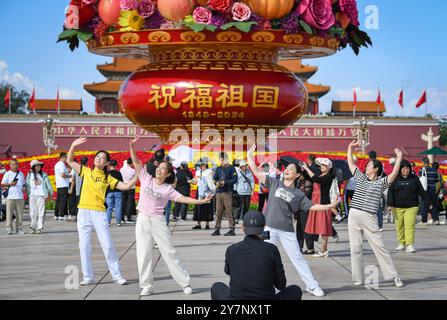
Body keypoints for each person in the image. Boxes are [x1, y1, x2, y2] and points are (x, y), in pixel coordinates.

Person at [247, 145, 339, 297]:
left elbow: (313, 206)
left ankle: (312, 285)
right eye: (286, 168)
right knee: (263, 257)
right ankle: (264, 286)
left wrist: (331, 205)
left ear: (297, 175)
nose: (287, 170)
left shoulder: (298, 194)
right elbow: (256, 171)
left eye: (291, 169)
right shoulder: (274, 183)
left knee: (297, 258)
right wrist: (250, 155)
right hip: (269, 229)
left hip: (286, 231)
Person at [129, 137, 213, 296]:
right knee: (143, 253)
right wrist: (132, 147)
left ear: (168, 174)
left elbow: (184, 198)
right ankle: (146, 285)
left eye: (163, 169)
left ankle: (185, 283)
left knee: (169, 252)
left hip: (157, 221)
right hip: (142, 219)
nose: (159, 169)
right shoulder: (146, 177)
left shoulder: (168, 189)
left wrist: (200, 201)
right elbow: (136, 162)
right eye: (158, 167)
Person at [67, 137, 140, 286]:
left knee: (107, 244)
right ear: (94, 160)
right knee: (84, 245)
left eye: (103, 158)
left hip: (99, 213)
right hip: (83, 211)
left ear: (107, 163)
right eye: (98, 157)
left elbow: (125, 187)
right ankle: (88, 276)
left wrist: (138, 175)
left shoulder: (108, 177)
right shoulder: (85, 171)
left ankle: (117, 275)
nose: (99, 159)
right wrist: (73, 145)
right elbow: (69, 160)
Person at [347, 140, 404, 288]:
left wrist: (398, 159)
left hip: (369, 216)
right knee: (355, 247)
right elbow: (351, 164)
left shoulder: (382, 182)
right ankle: (358, 278)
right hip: (354, 214)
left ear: (376, 169)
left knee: (379, 246)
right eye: (366, 165)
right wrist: (350, 148)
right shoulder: (360, 177)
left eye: (369, 166)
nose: (366, 167)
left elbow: (394, 173)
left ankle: (394, 276)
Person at [211, 211, 303, 300]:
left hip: (238, 299)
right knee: (295, 290)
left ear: (243, 227)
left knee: (217, 286)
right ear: (264, 228)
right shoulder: (271, 249)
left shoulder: (232, 249)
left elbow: (228, 271)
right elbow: (281, 284)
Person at [387, 160, 430, 253]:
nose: (405, 170)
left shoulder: (414, 179)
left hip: (412, 207)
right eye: (403, 168)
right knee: (399, 226)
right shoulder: (395, 178)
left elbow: (422, 191)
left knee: (409, 226)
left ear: (410, 169)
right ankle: (401, 243)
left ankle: (409, 245)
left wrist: (428, 202)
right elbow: (390, 192)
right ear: (400, 169)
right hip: (397, 207)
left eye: (407, 168)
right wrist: (390, 204)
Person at [302, 158, 339, 258]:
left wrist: (307, 168)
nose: (321, 166)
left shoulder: (328, 177)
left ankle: (323, 250)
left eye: (324, 165)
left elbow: (315, 179)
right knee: (321, 227)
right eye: (321, 165)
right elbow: (310, 178)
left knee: (324, 228)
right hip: (316, 202)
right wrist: (303, 170)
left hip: (323, 204)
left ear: (329, 167)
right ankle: (324, 250)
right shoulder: (322, 175)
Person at [212, 152, 238, 236]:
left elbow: (235, 179)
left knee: (229, 211)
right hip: (219, 193)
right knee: (218, 212)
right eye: (220, 159)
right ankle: (217, 229)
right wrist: (216, 183)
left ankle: (231, 229)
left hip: (227, 192)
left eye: (223, 159)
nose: (221, 161)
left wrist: (225, 182)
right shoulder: (218, 169)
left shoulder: (231, 168)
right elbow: (214, 179)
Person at [25, 160, 53, 234]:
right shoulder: (29, 175)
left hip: (41, 195)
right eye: (37, 165)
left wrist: (50, 194)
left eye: (39, 165)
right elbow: (27, 185)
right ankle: (33, 227)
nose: (38, 167)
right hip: (32, 195)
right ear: (33, 167)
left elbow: (48, 184)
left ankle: (39, 227)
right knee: (33, 212)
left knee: (41, 212)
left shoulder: (43, 175)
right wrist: (27, 193)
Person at [1, 159, 26, 235]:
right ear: (10, 165)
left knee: (19, 214)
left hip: (20, 197)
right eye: (14, 164)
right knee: (9, 214)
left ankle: (19, 229)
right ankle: (9, 229)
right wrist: (10, 184)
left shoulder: (21, 174)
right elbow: (2, 184)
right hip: (10, 197)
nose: (16, 166)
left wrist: (24, 188)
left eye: (16, 164)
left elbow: (24, 184)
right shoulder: (7, 174)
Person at [192, 161, 216, 230]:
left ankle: (207, 224)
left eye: (202, 165)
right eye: (200, 165)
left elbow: (211, 181)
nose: (201, 167)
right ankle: (198, 223)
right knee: (198, 206)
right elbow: (195, 181)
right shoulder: (197, 172)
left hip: (207, 190)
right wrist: (192, 181)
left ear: (205, 165)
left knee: (207, 207)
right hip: (199, 190)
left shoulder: (209, 171)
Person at [418, 158, 439, 225]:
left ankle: (424, 221)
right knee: (433, 204)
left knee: (423, 205)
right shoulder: (434, 170)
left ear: (423, 163)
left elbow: (420, 179)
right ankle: (436, 219)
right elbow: (437, 180)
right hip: (432, 190)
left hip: (424, 190)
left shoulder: (422, 170)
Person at [106, 160, 124, 227]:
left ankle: (108, 222)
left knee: (109, 208)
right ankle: (118, 222)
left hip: (109, 192)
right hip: (118, 191)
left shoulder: (107, 173)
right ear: (116, 165)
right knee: (118, 207)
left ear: (109, 165)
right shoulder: (118, 173)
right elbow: (121, 182)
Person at [71, 157, 89, 221]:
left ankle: (78, 217)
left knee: (78, 204)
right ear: (86, 162)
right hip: (85, 191)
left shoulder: (76, 169)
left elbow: (73, 179)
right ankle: (84, 217)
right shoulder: (87, 170)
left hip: (78, 190)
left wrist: (71, 189)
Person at [54, 153, 71, 221]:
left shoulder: (57, 164)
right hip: (63, 184)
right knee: (63, 201)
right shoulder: (61, 164)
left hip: (59, 185)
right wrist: (69, 176)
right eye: (66, 157)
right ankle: (61, 215)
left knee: (58, 200)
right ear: (63, 157)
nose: (67, 159)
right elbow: (62, 175)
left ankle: (56, 214)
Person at [120, 158, 137, 224]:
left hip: (123, 187)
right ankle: (128, 218)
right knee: (130, 203)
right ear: (132, 163)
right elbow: (135, 179)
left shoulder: (121, 169)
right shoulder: (132, 171)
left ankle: (121, 218)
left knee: (123, 202)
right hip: (131, 187)